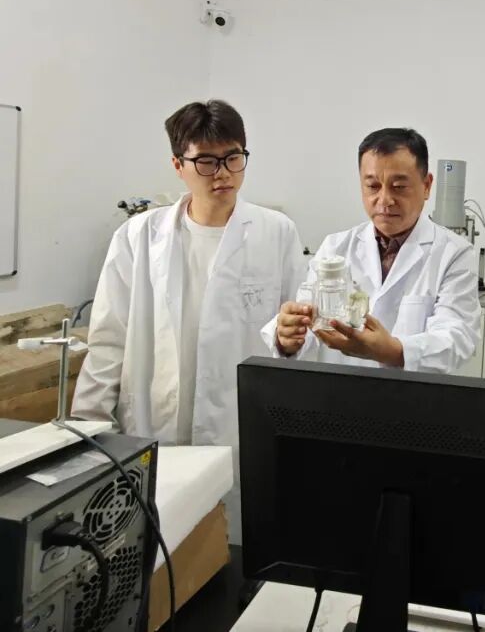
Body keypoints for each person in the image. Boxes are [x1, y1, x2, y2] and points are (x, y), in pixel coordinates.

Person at [72, 99, 308, 539]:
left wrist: (290, 338)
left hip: (237, 430)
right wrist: (88, 430)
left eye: (233, 157)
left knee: (230, 549)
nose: (222, 173)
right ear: (178, 165)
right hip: (153, 425)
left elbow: (297, 337)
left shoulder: (277, 232)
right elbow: (108, 340)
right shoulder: (138, 237)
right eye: (206, 161)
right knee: (151, 552)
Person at [265, 127, 480, 372]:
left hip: (413, 394)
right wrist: (288, 337)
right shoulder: (335, 247)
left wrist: (394, 351)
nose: (384, 199)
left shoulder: (454, 254)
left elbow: (456, 338)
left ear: (427, 185)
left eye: (398, 186)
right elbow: (311, 327)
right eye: (373, 186)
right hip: (340, 391)